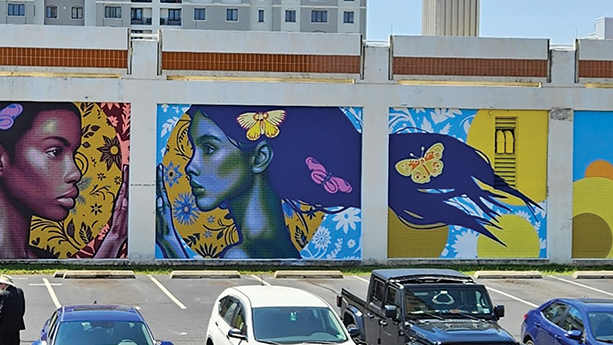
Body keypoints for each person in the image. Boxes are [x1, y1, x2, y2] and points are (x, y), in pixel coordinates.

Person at [156, 105, 539, 259]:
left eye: (208, 148)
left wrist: (170, 243)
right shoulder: (276, 244)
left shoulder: (240, 254)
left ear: (259, 156)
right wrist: (171, 241)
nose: (190, 166)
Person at [0, 101, 128, 259]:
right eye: (55, 152)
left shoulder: (44, 258)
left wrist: (114, 238)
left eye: (74, 154)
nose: (75, 173)